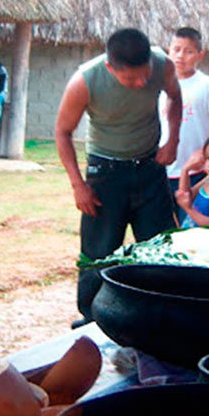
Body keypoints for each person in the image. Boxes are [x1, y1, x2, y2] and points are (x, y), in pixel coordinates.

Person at [55, 28, 182, 326]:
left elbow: (176, 98)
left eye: (143, 75)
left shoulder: (163, 65)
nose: (140, 84)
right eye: (129, 79)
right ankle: (92, 318)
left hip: (150, 168)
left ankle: (161, 314)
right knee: (99, 252)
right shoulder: (85, 81)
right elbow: (62, 132)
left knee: (160, 247)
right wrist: (78, 185)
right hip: (105, 173)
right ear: (111, 67)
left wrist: (173, 140)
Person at [159, 27, 209, 224]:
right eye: (176, 49)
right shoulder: (158, 85)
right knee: (163, 230)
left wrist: (207, 155)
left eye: (188, 51)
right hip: (162, 172)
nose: (181, 56)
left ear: (200, 55)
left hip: (196, 173)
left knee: (192, 228)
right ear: (168, 50)